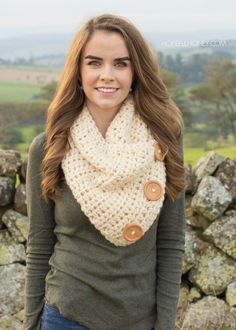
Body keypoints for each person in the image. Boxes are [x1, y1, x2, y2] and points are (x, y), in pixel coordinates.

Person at [23, 13, 186, 330]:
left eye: (121, 64)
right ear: (79, 71)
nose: (107, 75)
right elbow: (40, 245)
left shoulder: (163, 139)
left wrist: (164, 324)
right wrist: (31, 324)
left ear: (136, 71)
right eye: (94, 63)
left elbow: (170, 241)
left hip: (139, 319)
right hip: (66, 317)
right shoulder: (49, 147)